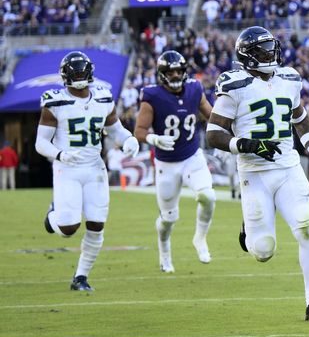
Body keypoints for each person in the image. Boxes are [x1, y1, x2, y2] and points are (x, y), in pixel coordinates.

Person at [206, 26, 309, 322]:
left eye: (270, 47)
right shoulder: (235, 84)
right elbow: (213, 133)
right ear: (248, 56)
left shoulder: (289, 79)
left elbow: (300, 118)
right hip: (254, 172)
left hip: (288, 167)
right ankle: (248, 232)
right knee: (263, 251)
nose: (270, 53)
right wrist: (246, 144)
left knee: (306, 227)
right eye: (262, 49)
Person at [35, 51, 139, 291]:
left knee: (96, 224)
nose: (80, 76)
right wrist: (60, 154)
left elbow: (116, 130)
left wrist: (128, 139)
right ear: (66, 76)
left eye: (83, 71)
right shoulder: (54, 102)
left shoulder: (103, 97)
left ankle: (81, 277)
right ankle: (53, 217)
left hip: (94, 168)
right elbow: (41, 143)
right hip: (67, 168)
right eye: (76, 72)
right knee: (68, 229)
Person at [134, 50, 216, 273]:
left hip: (191, 156)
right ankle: (165, 252)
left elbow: (212, 115)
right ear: (162, 74)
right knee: (169, 218)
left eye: (179, 70)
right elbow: (139, 131)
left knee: (208, 196)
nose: (176, 74)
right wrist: (154, 138)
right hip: (167, 163)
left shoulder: (194, 89)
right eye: (171, 71)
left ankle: (200, 238)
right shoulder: (153, 95)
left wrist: (228, 133)